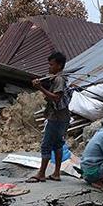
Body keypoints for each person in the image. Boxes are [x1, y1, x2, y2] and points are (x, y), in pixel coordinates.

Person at [29, 51, 71, 182]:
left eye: (51, 65)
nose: (49, 67)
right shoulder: (60, 77)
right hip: (63, 117)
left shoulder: (59, 79)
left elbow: (57, 98)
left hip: (56, 117)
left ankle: (41, 173)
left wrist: (40, 88)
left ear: (59, 65)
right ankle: (56, 173)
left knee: (46, 145)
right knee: (58, 144)